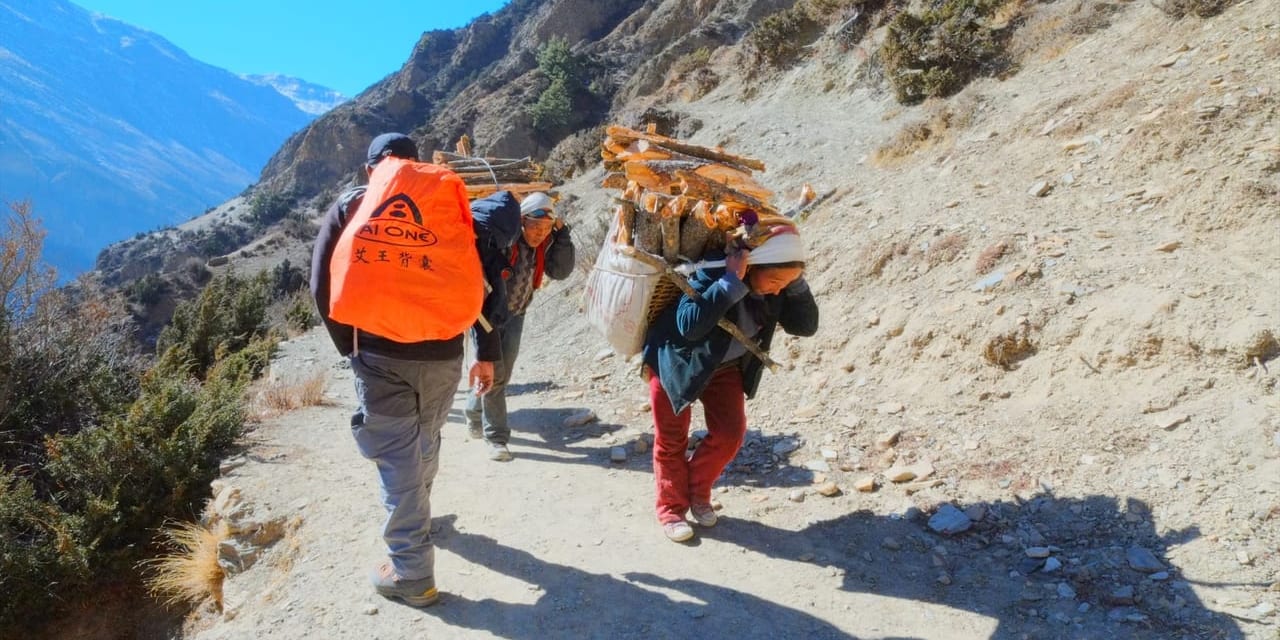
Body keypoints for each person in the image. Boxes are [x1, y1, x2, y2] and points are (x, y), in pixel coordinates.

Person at [310, 132, 497, 606]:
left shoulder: (352, 205)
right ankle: (420, 519)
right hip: (443, 354)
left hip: (380, 356)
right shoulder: (443, 204)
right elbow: (478, 281)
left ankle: (412, 571)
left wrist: (349, 345)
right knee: (425, 439)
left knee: (396, 457)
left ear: (371, 169)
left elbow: (321, 285)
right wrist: (484, 349)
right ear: (418, 165)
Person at [642, 224, 819, 542]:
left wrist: (793, 282)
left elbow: (805, 326)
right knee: (672, 439)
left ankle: (697, 494)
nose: (777, 290)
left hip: (724, 367)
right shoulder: (714, 268)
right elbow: (689, 326)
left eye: (784, 284)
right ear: (754, 265)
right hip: (676, 360)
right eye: (775, 282)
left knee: (730, 434)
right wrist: (730, 281)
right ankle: (671, 509)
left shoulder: (776, 287)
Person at [464, 191, 574, 461]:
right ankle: (496, 438)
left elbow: (560, 272)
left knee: (502, 374)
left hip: (516, 315)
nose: (539, 234)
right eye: (535, 227)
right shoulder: (503, 240)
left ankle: (473, 410)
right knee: (497, 375)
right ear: (521, 221)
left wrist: (562, 237)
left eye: (545, 228)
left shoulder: (545, 244)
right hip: (488, 316)